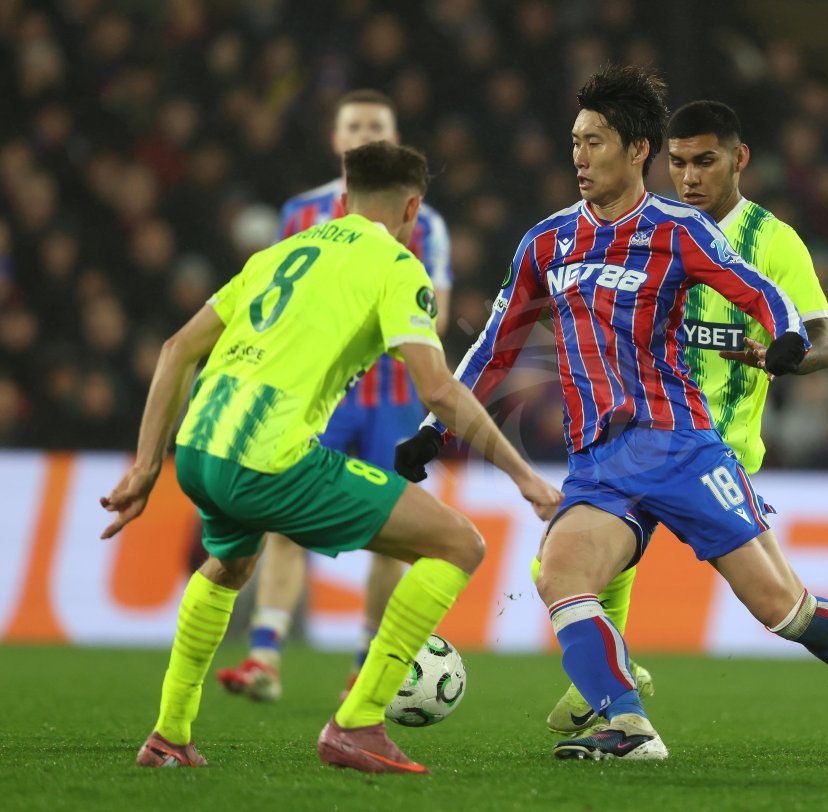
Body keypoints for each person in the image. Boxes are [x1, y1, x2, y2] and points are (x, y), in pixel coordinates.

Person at [396, 65, 828, 761]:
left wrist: (785, 336)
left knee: (783, 609)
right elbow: (493, 347)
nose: (579, 157)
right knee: (559, 574)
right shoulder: (546, 242)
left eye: (595, 142)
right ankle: (629, 726)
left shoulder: (676, 229)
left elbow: (758, 291)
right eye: (574, 142)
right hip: (599, 460)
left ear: (637, 151)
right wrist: (434, 428)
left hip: (679, 445)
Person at [101, 142, 561, 774]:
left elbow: (177, 348)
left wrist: (146, 466)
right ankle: (358, 723)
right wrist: (524, 474)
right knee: (459, 544)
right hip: (268, 458)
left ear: (343, 201)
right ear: (413, 209)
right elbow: (436, 389)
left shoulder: (278, 253)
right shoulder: (397, 266)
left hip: (199, 449)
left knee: (230, 565)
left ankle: (168, 736)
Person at [542, 99, 828, 734]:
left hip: (714, 445)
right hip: (642, 434)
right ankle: (616, 696)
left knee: (780, 604)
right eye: (678, 163)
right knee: (574, 565)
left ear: (739, 159)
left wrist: (783, 356)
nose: (689, 177)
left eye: (704, 162)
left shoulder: (772, 241)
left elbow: (823, 342)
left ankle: (613, 690)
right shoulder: (650, 231)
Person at [216, 89, 453, 702]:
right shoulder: (300, 212)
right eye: (355, 125)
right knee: (284, 523)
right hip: (320, 396)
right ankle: (265, 656)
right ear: (335, 138)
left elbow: (438, 313)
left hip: (393, 400)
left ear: (395, 140)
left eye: (377, 125)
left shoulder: (424, 222)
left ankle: (363, 667)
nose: (365, 134)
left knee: (391, 534)